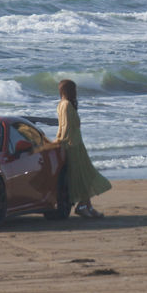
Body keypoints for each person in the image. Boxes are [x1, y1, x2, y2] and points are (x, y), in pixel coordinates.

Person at [51, 79, 111, 218]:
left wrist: (59, 139)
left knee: (85, 175)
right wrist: (60, 140)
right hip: (73, 146)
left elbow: (62, 127)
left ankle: (87, 206)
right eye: (74, 90)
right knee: (85, 176)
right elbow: (65, 127)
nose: (76, 92)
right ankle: (83, 206)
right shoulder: (66, 105)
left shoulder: (61, 104)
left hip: (76, 144)